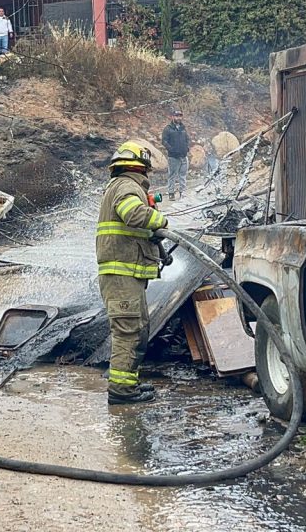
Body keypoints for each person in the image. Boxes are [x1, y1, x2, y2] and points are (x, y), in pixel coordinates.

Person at [96, 140, 168, 405]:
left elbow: (136, 230)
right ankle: (121, 392)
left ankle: (129, 384)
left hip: (126, 276)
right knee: (128, 331)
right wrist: (161, 220)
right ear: (142, 167)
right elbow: (133, 215)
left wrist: (160, 250)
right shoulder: (128, 187)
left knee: (138, 329)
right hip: (121, 277)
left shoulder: (121, 186)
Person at [161, 110, 190, 201]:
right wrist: (171, 149)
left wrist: (187, 148)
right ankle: (171, 193)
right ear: (172, 117)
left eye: (180, 116)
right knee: (172, 175)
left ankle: (183, 192)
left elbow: (187, 139)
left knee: (183, 175)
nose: (178, 118)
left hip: (183, 155)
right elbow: (164, 141)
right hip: (173, 157)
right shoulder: (168, 128)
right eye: (176, 116)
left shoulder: (183, 128)